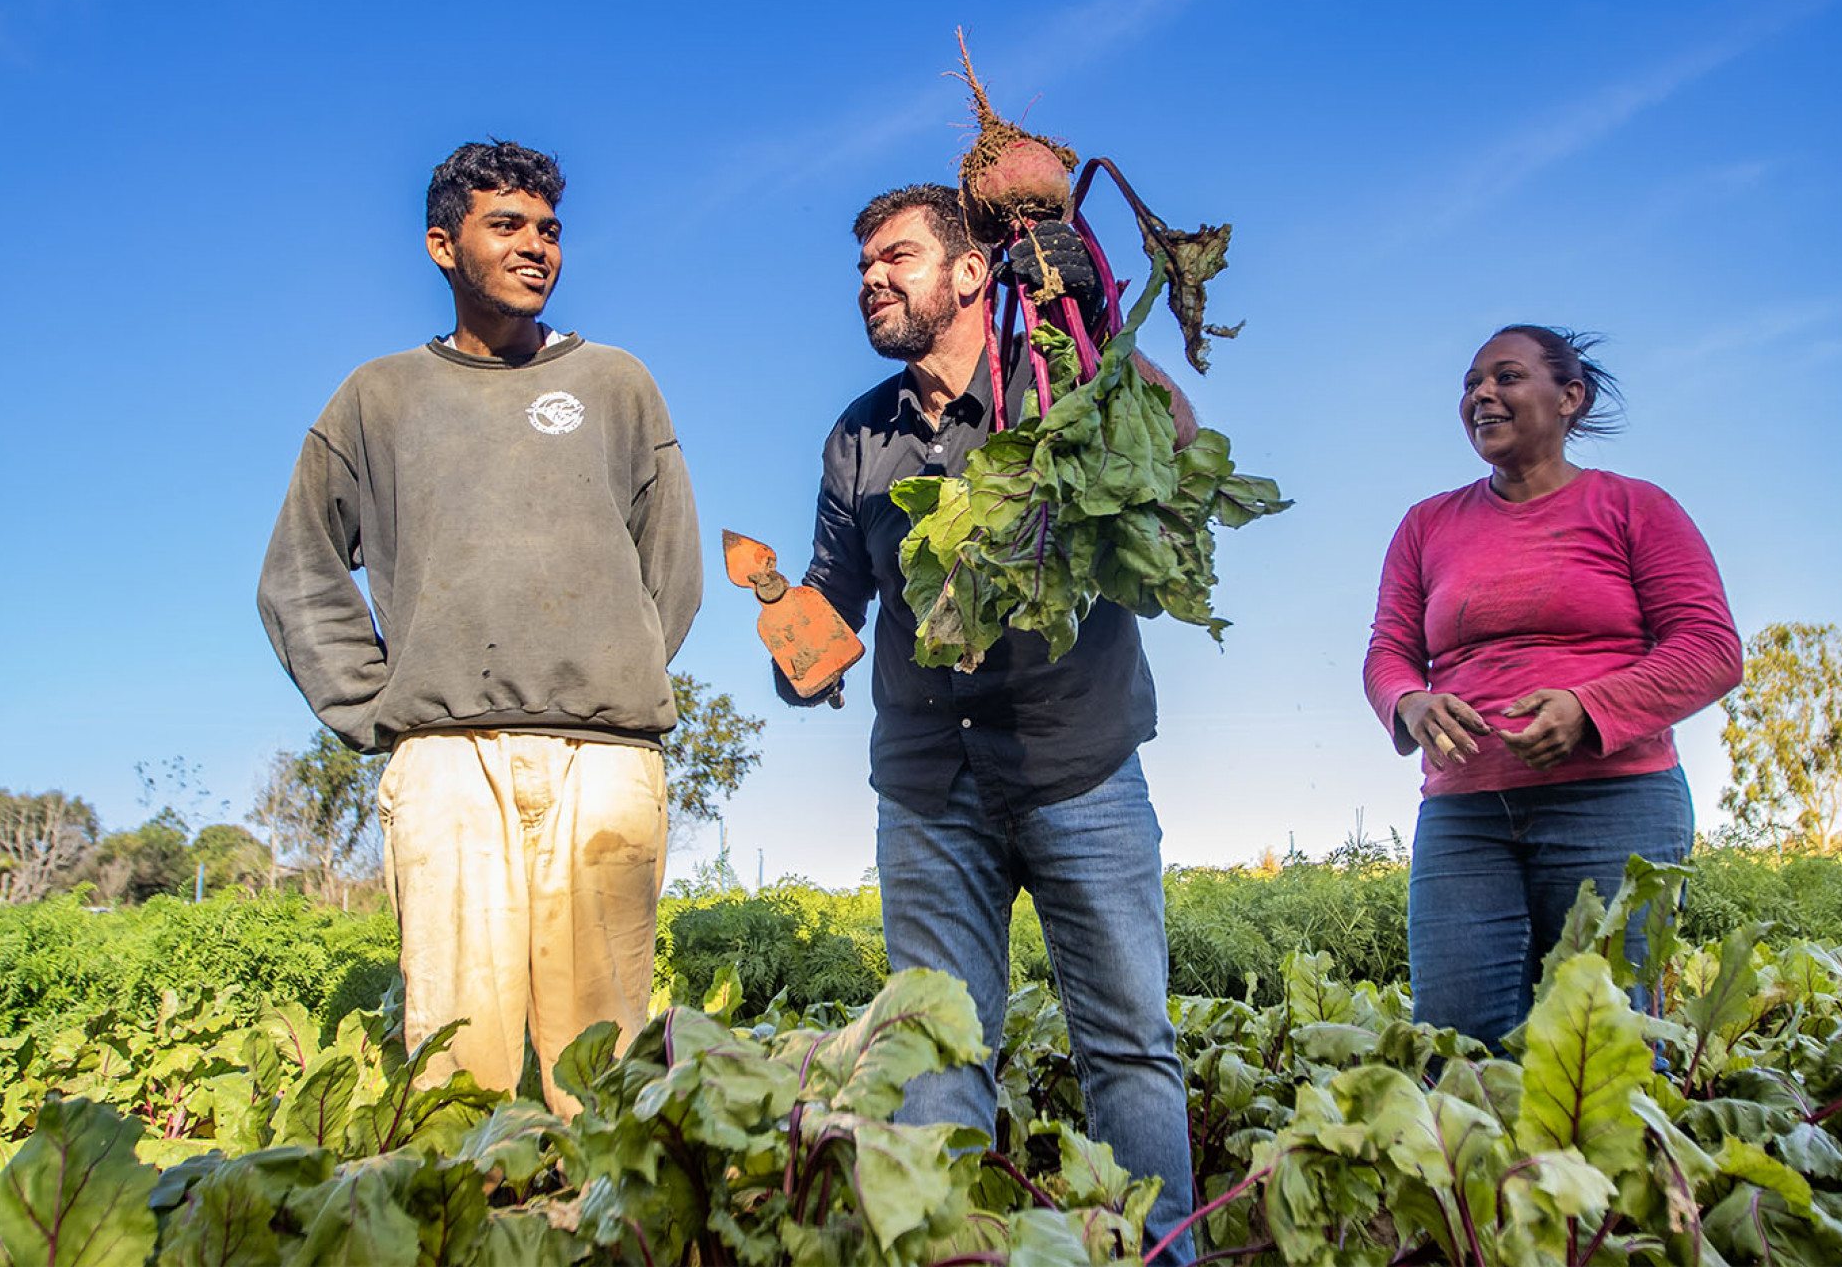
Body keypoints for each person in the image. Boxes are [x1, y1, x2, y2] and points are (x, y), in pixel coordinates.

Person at [782, 183, 1197, 1261]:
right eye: (863, 264)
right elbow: (835, 588)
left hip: (1078, 766)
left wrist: (1092, 315)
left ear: (972, 270)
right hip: (928, 789)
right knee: (936, 1054)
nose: (872, 277)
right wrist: (798, 651)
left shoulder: (1055, 377)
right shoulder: (858, 435)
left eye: (897, 256)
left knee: (1129, 1046)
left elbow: (1171, 444)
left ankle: (1162, 1253)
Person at [257, 141, 702, 1117]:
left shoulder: (617, 383)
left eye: (549, 229)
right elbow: (298, 570)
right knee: (459, 1064)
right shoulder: (378, 398)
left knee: (604, 1068)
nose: (536, 246)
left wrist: (609, 669)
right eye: (506, 225)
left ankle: (597, 1201)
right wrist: (379, 706)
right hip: (446, 761)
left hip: (606, 755)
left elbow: (671, 570)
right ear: (441, 245)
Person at [1362, 325, 1742, 1048]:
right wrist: (1410, 702)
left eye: (1506, 377)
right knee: (1457, 1045)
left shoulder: (1634, 506)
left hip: (1614, 803)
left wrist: (1588, 708)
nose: (1482, 394)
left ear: (1570, 397)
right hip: (1466, 814)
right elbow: (1389, 653)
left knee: (1604, 1048)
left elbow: (1710, 648)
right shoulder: (1426, 524)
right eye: (1471, 384)